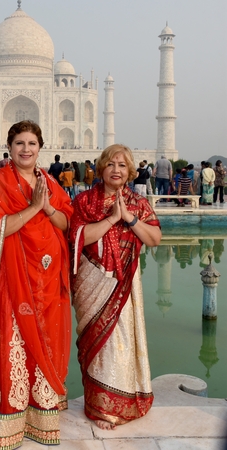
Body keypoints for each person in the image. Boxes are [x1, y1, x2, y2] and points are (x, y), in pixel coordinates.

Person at [0, 120, 73, 449]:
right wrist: (32, 209)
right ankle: (7, 421)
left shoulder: (50, 183)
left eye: (31, 143)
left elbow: (66, 222)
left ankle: (41, 414)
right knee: (13, 341)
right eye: (19, 144)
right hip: (14, 277)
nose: (26, 149)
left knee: (45, 339)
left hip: (47, 277)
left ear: (40, 147)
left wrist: (47, 206)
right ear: (10, 147)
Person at [70, 144, 161, 430]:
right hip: (92, 283)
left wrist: (129, 219)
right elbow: (78, 239)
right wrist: (112, 218)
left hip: (124, 285)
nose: (116, 170)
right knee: (97, 344)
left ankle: (118, 403)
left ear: (130, 171)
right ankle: (99, 407)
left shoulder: (138, 204)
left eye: (122, 165)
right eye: (111, 164)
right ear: (101, 169)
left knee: (119, 340)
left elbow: (154, 238)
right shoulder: (85, 201)